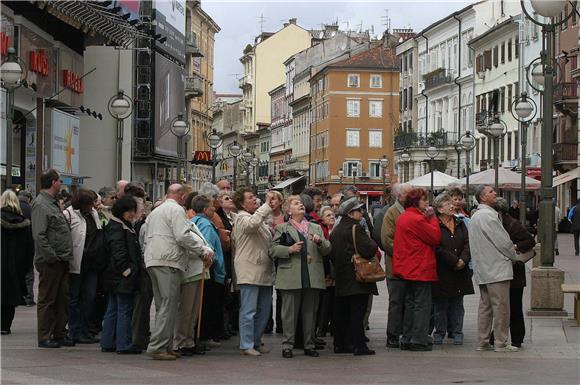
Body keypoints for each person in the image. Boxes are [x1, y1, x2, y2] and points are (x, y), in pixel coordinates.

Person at [144, 184, 212, 360]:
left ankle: (165, 345)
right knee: (169, 305)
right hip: (169, 260)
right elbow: (182, 236)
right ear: (181, 196)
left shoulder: (155, 212)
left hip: (154, 259)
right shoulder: (176, 210)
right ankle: (158, 347)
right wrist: (202, 250)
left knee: (162, 306)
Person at [270, 195, 331, 358]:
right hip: (291, 275)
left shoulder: (315, 227)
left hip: (312, 275)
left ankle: (309, 345)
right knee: (289, 313)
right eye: (296, 204)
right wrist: (289, 250)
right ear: (288, 211)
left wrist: (319, 242)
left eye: (302, 203)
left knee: (310, 313)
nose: (301, 205)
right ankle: (287, 345)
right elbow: (273, 250)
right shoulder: (282, 228)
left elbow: (327, 249)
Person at [469, 185, 519, 352]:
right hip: (496, 268)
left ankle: (482, 341)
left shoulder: (476, 215)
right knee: (501, 308)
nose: (495, 193)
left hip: (483, 267)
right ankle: (500, 342)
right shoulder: (488, 216)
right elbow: (503, 241)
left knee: (485, 306)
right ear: (483, 197)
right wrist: (514, 256)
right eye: (491, 192)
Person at [393, 188, 441, 351]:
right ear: (415, 202)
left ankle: (407, 337)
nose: (427, 202)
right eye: (423, 200)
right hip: (419, 267)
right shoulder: (417, 219)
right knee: (422, 305)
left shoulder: (404, 216)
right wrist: (432, 218)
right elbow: (435, 237)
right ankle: (418, 339)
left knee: (410, 303)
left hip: (407, 267)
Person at [32, 169, 74, 348]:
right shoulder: (41, 204)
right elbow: (39, 235)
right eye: (59, 181)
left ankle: (59, 332)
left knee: (62, 298)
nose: (61, 184)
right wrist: (51, 256)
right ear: (53, 182)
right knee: (48, 299)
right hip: (51, 261)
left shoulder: (53, 203)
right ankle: (44, 335)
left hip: (61, 259)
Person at [331, 197, 378, 356]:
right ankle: (358, 345)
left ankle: (340, 344)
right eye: (359, 210)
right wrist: (369, 238)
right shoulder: (355, 228)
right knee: (358, 312)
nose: (362, 213)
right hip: (357, 277)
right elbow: (369, 249)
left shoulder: (336, 229)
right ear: (350, 213)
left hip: (342, 277)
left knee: (342, 312)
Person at [232, 187, 274, 356]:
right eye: (250, 197)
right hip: (249, 268)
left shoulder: (257, 218)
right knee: (249, 310)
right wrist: (265, 206)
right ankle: (246, 343)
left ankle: (256, 340)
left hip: (263, 268)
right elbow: (251, 225)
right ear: (241, 203)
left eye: (254, 196)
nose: (254, 199)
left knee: (264, 310)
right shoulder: (242, 218)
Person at [99, 196, 142, 354]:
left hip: (114, 275)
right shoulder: (118, 227)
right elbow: (118, 251)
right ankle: (123, 343)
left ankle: (108, 341)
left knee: (113, 308)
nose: (132, 214)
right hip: (121, 275)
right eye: (129, 211)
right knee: (123, 308)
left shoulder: (116, 225)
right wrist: (127, 270)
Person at [173, 194, 213, 356]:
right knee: (186, 309)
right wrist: (204, 252)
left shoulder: (192, 225)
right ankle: (181, 341)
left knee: (194, 310)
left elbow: (203, 243)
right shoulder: (184, 228)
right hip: (190, 271)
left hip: (200, 271)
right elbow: (188, 245)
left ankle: (189, 339)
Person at [431, 193, 474, 346]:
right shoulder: (434, 224)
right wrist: (455, 261)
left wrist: (463, 260)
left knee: (457, 303)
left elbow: (469, 243)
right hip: (442, 270)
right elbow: (437, 247)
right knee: (440, 304)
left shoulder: (460, 223)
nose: (452, 205)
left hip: (460, 270)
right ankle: (440, 332)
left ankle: (457, 332)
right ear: (440, 209)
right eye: (448, 203)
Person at [495, 197, 536, 348]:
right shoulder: (496, 223)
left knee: (514, 305)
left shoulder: (512, 224)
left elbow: (530, 241)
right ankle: (497, 336)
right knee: (501, 306)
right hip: (500, 270)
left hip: (515, 271)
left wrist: (514, 247)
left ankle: (517, 338)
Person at [63, 189, 102, 344]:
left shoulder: (94, 214)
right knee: (74, 298)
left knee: (89, 297)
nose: (93, 206)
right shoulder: (69, 214)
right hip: (76, 263)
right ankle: (75, 330)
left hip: (92, 264)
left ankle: (86, 330)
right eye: (90, 203)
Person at [191, 195, 226, 348]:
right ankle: (204, 335)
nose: (214, 208)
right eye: (212, 206)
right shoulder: (205, 224)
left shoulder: (194, 222)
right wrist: (215, 262)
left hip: (203, 269)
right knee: (208, 305)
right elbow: (208, 245)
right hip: (210, 269)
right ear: (205, 209)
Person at [380, 183, 412, 348]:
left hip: (411, 267)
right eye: (409, 194)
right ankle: (392, 335)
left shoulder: (411, 211)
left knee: (409, 301)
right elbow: (387, 240)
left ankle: (406, 334)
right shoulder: (392, 213)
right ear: (400, 196)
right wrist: (406, 254)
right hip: (397, 267)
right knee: (396, 302)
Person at [1, 190, 34, 334]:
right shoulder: (24, 224)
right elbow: (29, 248)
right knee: (11, 297)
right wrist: (27, 267)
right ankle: (5, 326)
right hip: (16, 266)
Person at [215, 190, 237, 336]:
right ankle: (224, 326)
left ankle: (230, 324)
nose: (230, 200)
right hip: (226, 258)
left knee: (231, 293)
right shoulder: (220, 218)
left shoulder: (233, 217)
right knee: (226, 292)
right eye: (226, 199)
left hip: (233, 258)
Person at [316, 206, 336, 337]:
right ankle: (321, 328)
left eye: (333, 215)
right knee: (325, 300)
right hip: (325, 271)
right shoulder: (321, 231)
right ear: (322, 218)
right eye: (328, 215)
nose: (332, 217)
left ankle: (332, 326)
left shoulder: (336, 229)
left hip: (336, 271)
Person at [18, 190, 35, 306]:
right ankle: (28, 297)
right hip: (28, 244)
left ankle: (18, 296)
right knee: (28, 270)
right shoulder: (30, 209)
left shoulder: (12, 207)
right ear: (28, 198)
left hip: (14, 245)